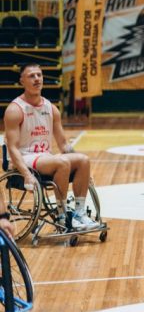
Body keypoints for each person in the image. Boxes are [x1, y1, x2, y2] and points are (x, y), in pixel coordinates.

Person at [3, 63, 100, 230]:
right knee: (62, 163)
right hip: (24, 158)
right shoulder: (15, 109)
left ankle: (79, 214)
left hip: (44, 158)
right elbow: (12, 148)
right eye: (31, 76)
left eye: (39, 75)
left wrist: (82, 171)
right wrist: (27, 175)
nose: (37, 79)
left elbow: (63, 144)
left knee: (83, 160)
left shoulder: (51, 108)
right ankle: (62, 216)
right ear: (22, 81)